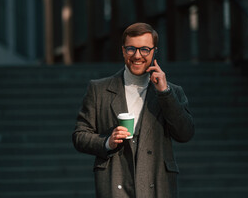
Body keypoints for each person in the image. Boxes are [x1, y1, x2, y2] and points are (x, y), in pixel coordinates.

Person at [72, 22, 195, 198]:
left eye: (145, 49)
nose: (137, 56)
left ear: (154, 52)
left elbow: (185, 133)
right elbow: (79, 136)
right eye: (131, 49)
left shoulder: (172, 91)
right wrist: (108, 142)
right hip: (115, 184)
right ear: (123, 51)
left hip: (157, 185)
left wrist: (164, 93)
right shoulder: (98, 89)